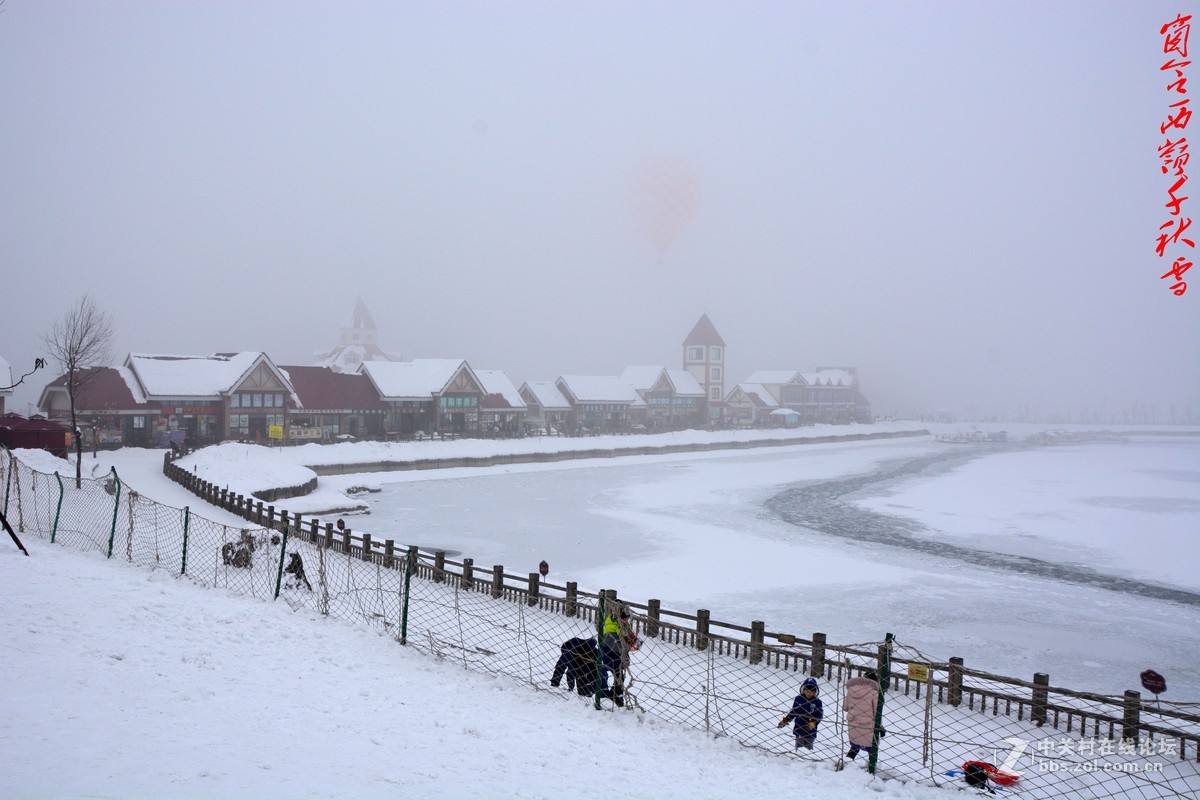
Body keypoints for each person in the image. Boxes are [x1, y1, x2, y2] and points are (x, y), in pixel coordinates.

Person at [599, 601, 638, 707]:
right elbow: (615, 644)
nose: (627, 621)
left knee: (620, 677)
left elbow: (628, 634)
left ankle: (615, 695)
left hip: (617, 655)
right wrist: (629, 647)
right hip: (609, 654)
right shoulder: (611, 627)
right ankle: (606, 695)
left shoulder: (622, 624)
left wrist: (635, 641)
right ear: (620, 618)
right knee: (605, 672)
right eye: (625, 619)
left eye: (628, 619)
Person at [843, 670, 884, 760]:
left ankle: (847, 763)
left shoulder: (851, 690)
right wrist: (881, 727)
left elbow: (845, 707)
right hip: (868, 726)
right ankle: (870, 768)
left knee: (855, 746)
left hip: (853, 724)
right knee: (872, 749)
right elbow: (877, 713)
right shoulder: (874, 693)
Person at [777, 677, 824, 750]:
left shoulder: (817, 702)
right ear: (804, 690)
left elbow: (819, 716)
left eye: (812, 692)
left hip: (810, 731)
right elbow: (793, 712)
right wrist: (785, 721)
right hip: (799, 728)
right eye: (807, 691)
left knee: (808, 749)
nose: (809, 693)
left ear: (815, 692)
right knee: (799, 748)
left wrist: (812, 724)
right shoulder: (798, 699)